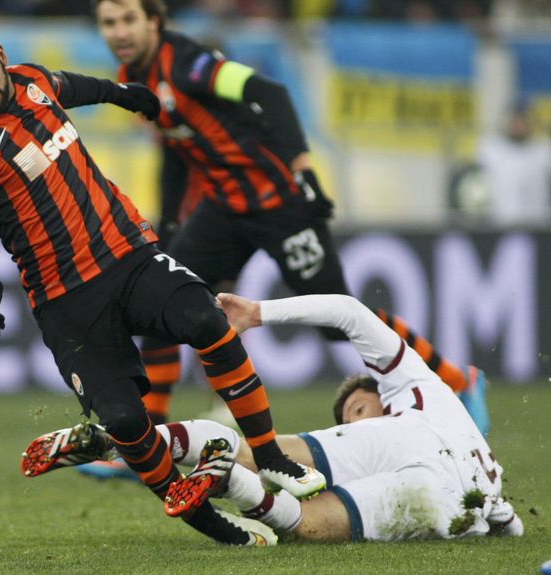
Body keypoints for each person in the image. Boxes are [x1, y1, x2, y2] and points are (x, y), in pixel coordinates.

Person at [0, 12, 323, 545]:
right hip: (65, 299)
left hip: (128, 255)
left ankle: (272, 456)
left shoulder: (34, 81)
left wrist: (125, 94)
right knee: (124, 419)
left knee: (205, 318)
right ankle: (208, 520)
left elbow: (82, 86)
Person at [91, 0, 489, 432]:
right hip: (225, 208)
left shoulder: (189, 64)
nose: (119, 32)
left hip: (279, 202)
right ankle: (145, 439)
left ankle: (459, 380)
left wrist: (302, 169)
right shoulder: (133, 80)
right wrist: (168, 225)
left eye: (129, 20)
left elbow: (269, 92)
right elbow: (175, 147)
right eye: (109, 23)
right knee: (163, 303)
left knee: (338, 323)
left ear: (155, 21)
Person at [23, 292, 523, 542]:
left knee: (267, 463)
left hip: (423, 475)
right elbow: (509, 524)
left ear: (375, 396)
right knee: (300, 517)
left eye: (354, 413)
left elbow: (349, 310)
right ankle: (226, 480)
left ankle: (128, 441)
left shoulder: (409, 395)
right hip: (452, 497)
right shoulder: (430, 392)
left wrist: (259, 313)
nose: (350, 419)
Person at [477, 100, 551, 226]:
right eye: (515, 119)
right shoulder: (491, 150)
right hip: (501, 223)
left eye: (523, 120)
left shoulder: (543, 150)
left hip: (538, 224)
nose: (518, 124)